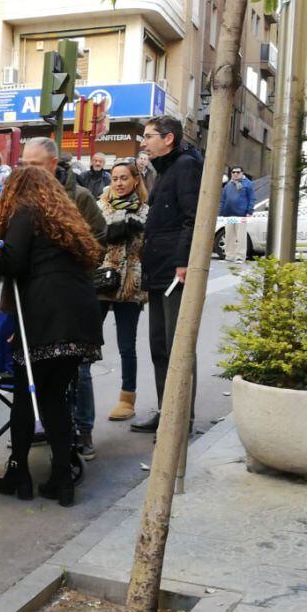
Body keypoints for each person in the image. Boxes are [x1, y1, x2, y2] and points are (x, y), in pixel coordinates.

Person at [0, 165, 103, 507]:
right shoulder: (63, 219)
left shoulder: (26, 212)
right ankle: (61, 479)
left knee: (27, 395)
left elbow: (14, 263)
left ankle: (18, 473)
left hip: (46, 315)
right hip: (80, 314)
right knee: (54, 396)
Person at [21, 137, 107, 459]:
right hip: (35, 298)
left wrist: (76, 265)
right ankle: (45, 426)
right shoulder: (21, 197)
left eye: (35, 165)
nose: (29, 171)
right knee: (40, 373)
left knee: (79, 369)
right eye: (24, 165)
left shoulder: (79, 197)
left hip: (71, 297)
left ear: (52, 164)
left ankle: (83, 430)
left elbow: (99, 238)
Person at [132, 115, 203, 434]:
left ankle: (180, 420)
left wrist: (184, 261)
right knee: (159, 346)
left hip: (175, 270)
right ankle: (167, 411)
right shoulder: (163, 169)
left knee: (178, 346)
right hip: (158, 269)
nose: (143, 142)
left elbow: (193, 218)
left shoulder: (186, 165)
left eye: (148, 136)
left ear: (168, 138)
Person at [96, 159, 150, 422]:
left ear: (135, 180)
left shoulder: (145, 212)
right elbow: (90, 239)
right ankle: (75, 397)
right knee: (86, 342)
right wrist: (111, 232)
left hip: (130, 287)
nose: (118, 183)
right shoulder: (99, 207)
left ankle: (127, 398)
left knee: (126, 346)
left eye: (124, 178)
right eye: (114, 178)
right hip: (101, 283)